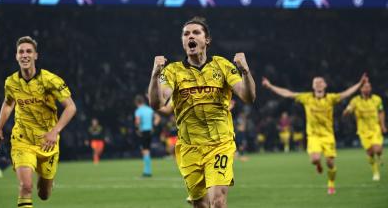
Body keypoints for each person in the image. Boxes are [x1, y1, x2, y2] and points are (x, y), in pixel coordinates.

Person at [148, 16, 256, 208]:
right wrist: (155, 75)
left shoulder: (222, 66)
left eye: (196, 32)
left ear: (207, 40)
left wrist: (245, 71)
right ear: (183, 41)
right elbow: (157, 103)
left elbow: (248, 96)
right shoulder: (172, 71)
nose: (190, 36)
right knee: (200, 204)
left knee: (218, 202)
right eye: (186, 34)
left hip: (220, 143)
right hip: (189, 147)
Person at [0, 36, 77, 207]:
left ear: (36, 55)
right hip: (22, 140)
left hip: (48, 142)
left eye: (28, 51)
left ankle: (48, 183)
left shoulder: (50, 80)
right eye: (21, 52)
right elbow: (8, 104)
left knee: (43, 194)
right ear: (16, 56)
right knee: (26, 186)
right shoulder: (11, 82)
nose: (25, 55)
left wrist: (55, 131)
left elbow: (71, 107)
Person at [262, 74, 367, 195]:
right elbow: (288, 93)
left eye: (321, 82)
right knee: (315, 159)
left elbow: (346, 93)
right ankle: (318, 165)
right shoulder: (307, 98)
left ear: (325, 85)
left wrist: (360, 83)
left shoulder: (331, 98)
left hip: (328, 135)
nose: (318, 83)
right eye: (316, 82)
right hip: (313, 136)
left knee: (330, 163)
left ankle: (331, 184)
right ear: (312, 86)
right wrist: (270, 86)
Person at [343, 81, 387, 181]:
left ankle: (379, 156)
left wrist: (383, 125)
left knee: (378, 150)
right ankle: (375, 172)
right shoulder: (355, 101)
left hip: (375, 128)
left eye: (368, 87)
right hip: (363, 131)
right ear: (361, 89)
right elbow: (348, 110)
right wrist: (347, 112)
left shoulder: (377, 99)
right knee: (370, 153)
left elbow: (381, 112)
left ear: (370, 88)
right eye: (365, 87)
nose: (367, 89)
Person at [134, 95, 155, 177]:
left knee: (145, 151)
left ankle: (147, 172)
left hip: (143, 132)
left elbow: (137, 121)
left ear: (136, 102)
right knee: (147, 150)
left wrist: (138, 129)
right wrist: (153, 126)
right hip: (149, 131)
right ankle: (147, 170)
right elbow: (157, 118)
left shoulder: (138, 110)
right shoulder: (149, 109)